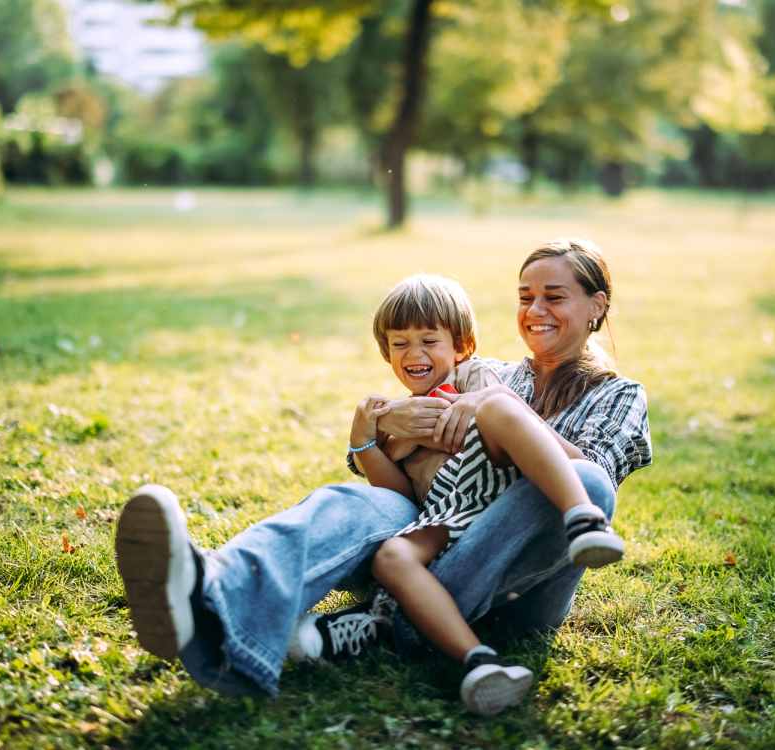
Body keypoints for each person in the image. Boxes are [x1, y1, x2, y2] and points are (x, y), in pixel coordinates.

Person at [113, 238, 652, 707]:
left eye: (553, 297)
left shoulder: (617, 394)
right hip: (438, 534)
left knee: (587, 485)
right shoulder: (487, 371)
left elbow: (595, 471)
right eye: (525, 297)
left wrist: (497, 412)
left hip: (516, 584)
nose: (535, 309)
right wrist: (374, 427)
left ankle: (387, 624)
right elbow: (403, 462)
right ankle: (210, 596)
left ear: (596, 306)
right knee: (351, 502)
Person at [292, 273, 625, 714]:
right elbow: (400, 495)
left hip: (495, 499)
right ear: (385, 352)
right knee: (390, 556)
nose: (414, 354)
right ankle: (476, 660)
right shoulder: (401, 416)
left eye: (429, 340)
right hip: (447, 510)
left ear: (461, 345)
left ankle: (582, 517)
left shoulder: (476, 373)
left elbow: (506, 414)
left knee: (501, 406)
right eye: (400, 344)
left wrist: (465, 407)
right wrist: (368, 442)